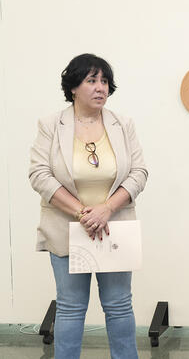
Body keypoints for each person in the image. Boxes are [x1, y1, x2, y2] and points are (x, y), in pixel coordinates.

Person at [29, 54, 148, 359]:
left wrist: (106, 209)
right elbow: (39, 175)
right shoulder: (50, 125)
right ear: (73, 87)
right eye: (91, 80)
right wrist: (84, 213)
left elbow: (139, 173)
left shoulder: (124, 124)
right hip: (67, 229)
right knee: (70, 307)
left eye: (105, 81)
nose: (100, 88)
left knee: (119, 305)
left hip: (114, 227)